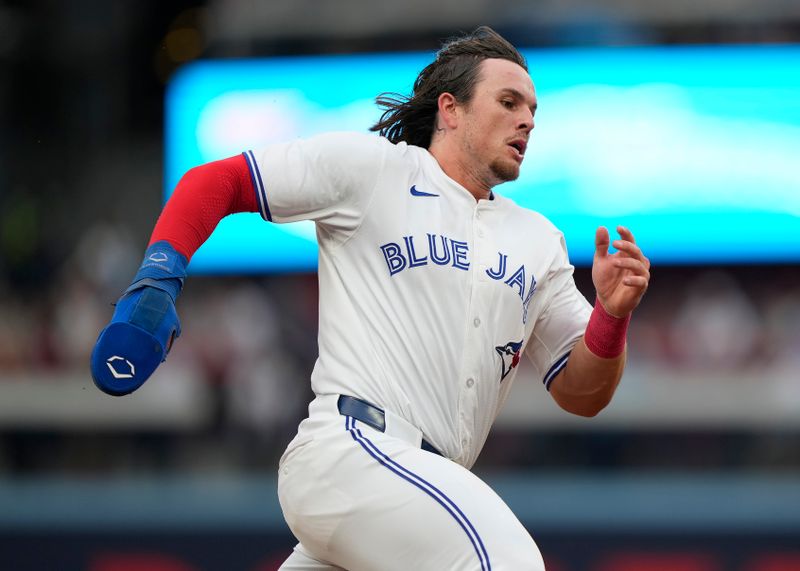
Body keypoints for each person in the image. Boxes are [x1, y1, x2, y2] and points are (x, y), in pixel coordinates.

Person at [91, 26, 650, 571]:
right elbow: (215, 183)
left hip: (415, 498)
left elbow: (583, 394)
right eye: (508, 101)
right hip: (355, 451)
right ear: (451, 109)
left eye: (532, 109)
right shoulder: (374, 170)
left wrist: (612, 315)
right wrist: (156, 280)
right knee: (505, 562)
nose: (526, 119)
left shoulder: (538, 240)